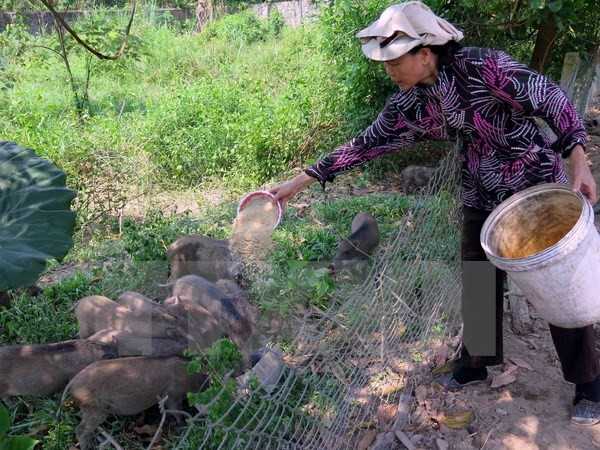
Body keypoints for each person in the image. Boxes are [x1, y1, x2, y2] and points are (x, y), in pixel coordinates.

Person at [268, 1, 600, 425]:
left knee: (556, 284)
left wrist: (578, 157)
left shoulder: (486, 67)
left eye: (394, 61)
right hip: (480, 188)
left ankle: (590, 384)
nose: (388, 71)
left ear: (424, 53)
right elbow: (366, 142)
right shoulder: (414, 101)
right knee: (478, 274)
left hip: (533, 186)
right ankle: (475, 364)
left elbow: (549, 97)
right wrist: (299, 183)